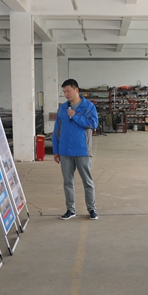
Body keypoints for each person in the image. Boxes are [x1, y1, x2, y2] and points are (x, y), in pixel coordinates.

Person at [53, 79, 99, 220]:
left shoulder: (88, 107)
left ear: (76, 90)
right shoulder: (62, 109)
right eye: (64, 92)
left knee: (87, 182)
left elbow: (93, 124)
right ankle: (70, 209)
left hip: (82, 150)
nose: (66, 94)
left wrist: (75, 116)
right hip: (65, 151)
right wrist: (56, 150)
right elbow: (56, 130)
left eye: (68, 91)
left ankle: (92, 209)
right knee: (68, 182)